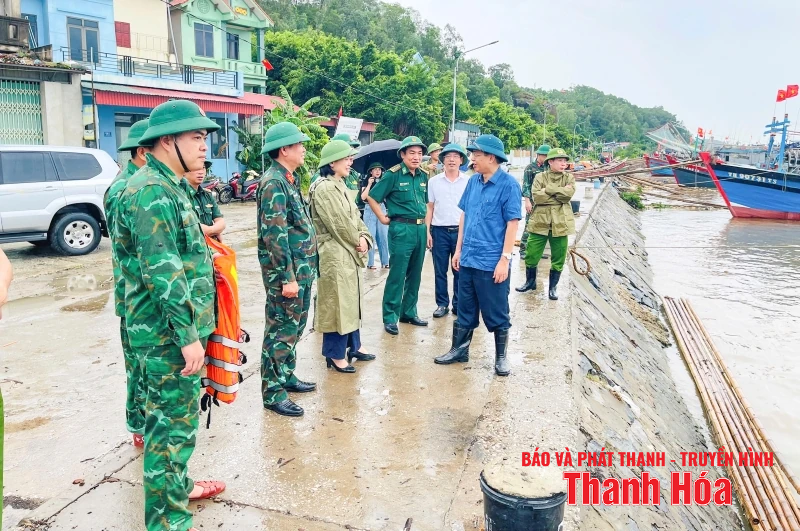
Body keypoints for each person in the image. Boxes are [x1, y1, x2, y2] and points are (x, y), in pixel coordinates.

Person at [115, 100, 225, 531]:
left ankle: (177, 497)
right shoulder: (152, 192)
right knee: (169, 439)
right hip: (166, 338)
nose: (204, 146)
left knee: (177, 432)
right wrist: (187, 335)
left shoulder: (169, 185)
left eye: (204, 137)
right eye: (195, 137)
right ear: (166, 142)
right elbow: (163, 272)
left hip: (172, 333)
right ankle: (167, 524)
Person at [434, 134, 521, 377]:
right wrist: (459, 249)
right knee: (465, 308)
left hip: (491, 261)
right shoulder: (473, 182)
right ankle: (459, 349)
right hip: (469, 257)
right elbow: (465, 216)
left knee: (496, 310)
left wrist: (505, 258)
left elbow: (512, 223)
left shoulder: (509, 185)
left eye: (476, 155)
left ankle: (501, 357)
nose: (472, 159)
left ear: (491, 157)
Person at [257, 122, 319, 418]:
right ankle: (272, 390)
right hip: (288, 275)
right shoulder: (273, 182)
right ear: (284, 149)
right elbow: (275, 234)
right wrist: (288, 277)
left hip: (302, 271)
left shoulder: (288, 179)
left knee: (294, 328)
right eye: (299, 144)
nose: (304, 148)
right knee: (281, 330)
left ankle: (286, 375)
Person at [309, 140, 375, 373]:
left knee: (350, 300)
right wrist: (358, 240)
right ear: (332, 162)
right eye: (346, 158)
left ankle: (354, 345)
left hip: (347, 249)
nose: (350, 162)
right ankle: (335, 354)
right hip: (335, 252)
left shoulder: (340, 184)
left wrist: (366, 237)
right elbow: (339, 223)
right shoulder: (325, 187)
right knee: (336, 303)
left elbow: (355, 218)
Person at [104, 118, 150, 449]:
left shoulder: (142, 183)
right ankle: (139, 424)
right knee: (138, 365)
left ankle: (143, 421)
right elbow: (130, 249)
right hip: (134, 293)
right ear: (142, 152)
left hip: (140, 291)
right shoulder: (125, 189)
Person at [366, 136, 429, 335]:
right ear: (402, 154)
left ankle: (409, 312)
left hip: (420, 228)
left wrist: (427, 228)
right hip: (401, 229)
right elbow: (372, 197)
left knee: (415, 274)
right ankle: (390, 316)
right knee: (397, 274)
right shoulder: (392, 175)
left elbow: (426, 203)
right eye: (412, 153)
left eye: (419, 153)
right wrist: (383, 219)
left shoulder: (423, 176)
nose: (416, 157)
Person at [516, 147, 576, 300]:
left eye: (565, 161)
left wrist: (549, 190)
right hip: (540, 221)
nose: (564, 164)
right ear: (551, 162)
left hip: (560, 222)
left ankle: (553, 287)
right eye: (560, 160)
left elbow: (567, 196)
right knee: (531, 253)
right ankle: (530, 282)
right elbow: (537, 197)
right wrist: (559, 192)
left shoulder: (569, 178)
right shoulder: (540, 177)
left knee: (559, 256)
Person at [425, 143, 469, 318]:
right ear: (442, 160)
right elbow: (430, 207)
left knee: (460, 269)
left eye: (456, 156)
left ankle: (458, 304)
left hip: (460, 231)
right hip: (439, 231)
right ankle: (442, 304)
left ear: (461, 160)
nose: (451, 160)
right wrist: (427, 231)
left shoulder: (468, 181)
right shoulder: (434, 182)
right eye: (448, 156)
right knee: (440, 270)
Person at [519, 145, 550, 259]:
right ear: (538, 155)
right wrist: (527, 201)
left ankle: (537, 251)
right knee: (529, 225)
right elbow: (526, 186)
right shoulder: (530, 168)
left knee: (541, 227)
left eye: (547, 156)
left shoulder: (548, 168)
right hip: (533, 201)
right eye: (544, 155)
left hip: (545, 202)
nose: (546, 158)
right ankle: (523, 250)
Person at [182, 161, 226, 241]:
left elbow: (220, 221)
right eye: (196, 168)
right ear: (184, 171)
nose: (201, 172)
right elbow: (191, 227)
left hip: (211, 247)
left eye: (203, 168)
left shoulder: (207, 195)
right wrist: (215, 231)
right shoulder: (180, 196)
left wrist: (211, 230)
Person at [360, 162, 390, 269]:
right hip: (369, 209)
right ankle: (370, 263)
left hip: (381, 207)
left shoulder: (384, 181)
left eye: (379, 169)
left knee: (383, 235)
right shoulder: (366, 181)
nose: (377, 171)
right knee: (370, 236)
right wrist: (369, 184)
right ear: (370, 171)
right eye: (375, 169)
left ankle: (385, 261)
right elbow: (363, 197)